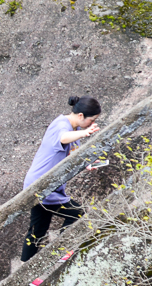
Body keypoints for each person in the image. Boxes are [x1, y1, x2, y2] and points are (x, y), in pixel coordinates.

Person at [20, 96, 101, 263]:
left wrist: (87, 164)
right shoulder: (61, 125)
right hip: (42, 185)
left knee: (37, 229)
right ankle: (61, 252)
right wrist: (85, 132)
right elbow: (63, 138)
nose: (92, 124)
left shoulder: (73, 128)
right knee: (78, 212)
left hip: (44, 184)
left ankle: (24, 268)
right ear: (80, 116)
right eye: (91, 120)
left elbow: (73, 153)